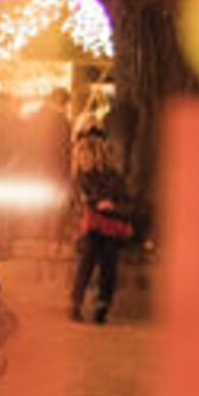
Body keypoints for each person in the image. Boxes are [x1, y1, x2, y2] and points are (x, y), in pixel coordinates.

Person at [69, 129, 132, 324]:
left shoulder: (114, 177)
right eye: (79, 157)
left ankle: (102, 304)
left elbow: (128, 203)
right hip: (89, 226)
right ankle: (76, 302)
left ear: (96, 156)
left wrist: (113, 206)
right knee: (88, 255)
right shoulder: (80, 178)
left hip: (111, 226)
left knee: (109, 259)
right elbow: (78, 203)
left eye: (85, 157)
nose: (82, 161)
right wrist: (94, 203)